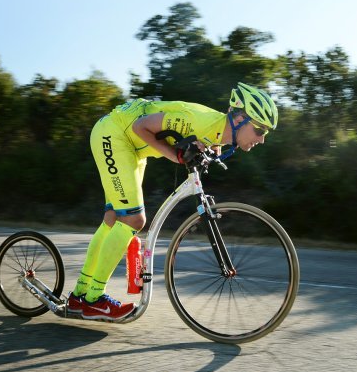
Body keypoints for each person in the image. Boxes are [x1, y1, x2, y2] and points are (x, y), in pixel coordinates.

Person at [67, 82, 279, 321]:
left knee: (113, 218)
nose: (262, 139)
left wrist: (210, 149)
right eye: (260, 130)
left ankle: (79, 295)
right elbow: (141, 126)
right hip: (115, 135)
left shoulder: (219, 130)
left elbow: (204, 138)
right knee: (134, 220)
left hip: (131, 147)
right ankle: (94, 299)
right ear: (239, 119)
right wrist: (175, 155)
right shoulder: (201, 121)